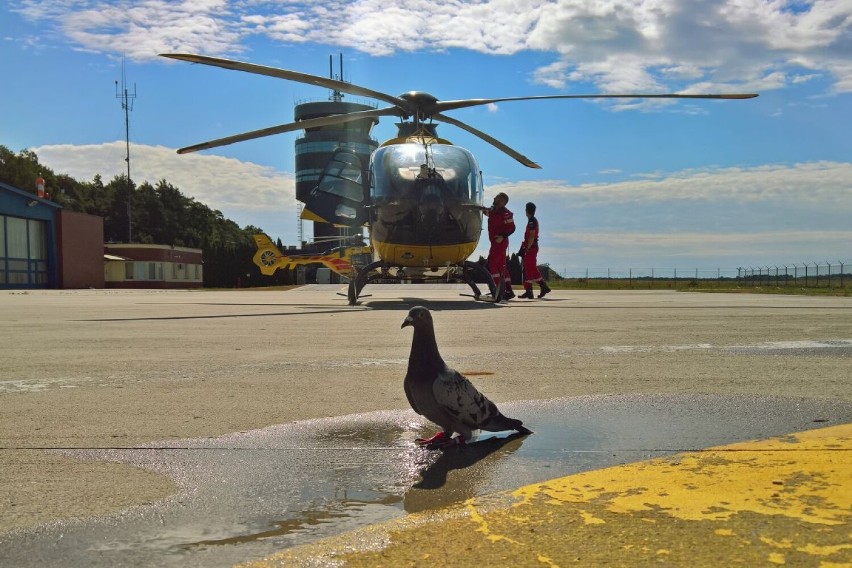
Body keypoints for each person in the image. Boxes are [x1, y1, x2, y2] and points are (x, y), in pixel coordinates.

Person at [482, 192, 515, 300]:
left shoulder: (506, 214)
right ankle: (508, 290)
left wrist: (503, 236)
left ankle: (498, 289)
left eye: (496, 197)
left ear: (501, 201)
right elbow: (486, 212)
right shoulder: (493, 211)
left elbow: (512, 228)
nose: (494, 198)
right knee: (501, 267)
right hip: (496, 243)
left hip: (500, 242)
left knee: (492, 265)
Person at [517, 201, 551, 299]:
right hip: (532, 247)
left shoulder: (532, 221)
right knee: (531, 268)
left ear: (527, 210)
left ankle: (531, 290)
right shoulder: (532, 220)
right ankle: (540, 287)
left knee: (528, 268)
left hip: (531, 248)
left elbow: (531, 235)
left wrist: (527, 247)